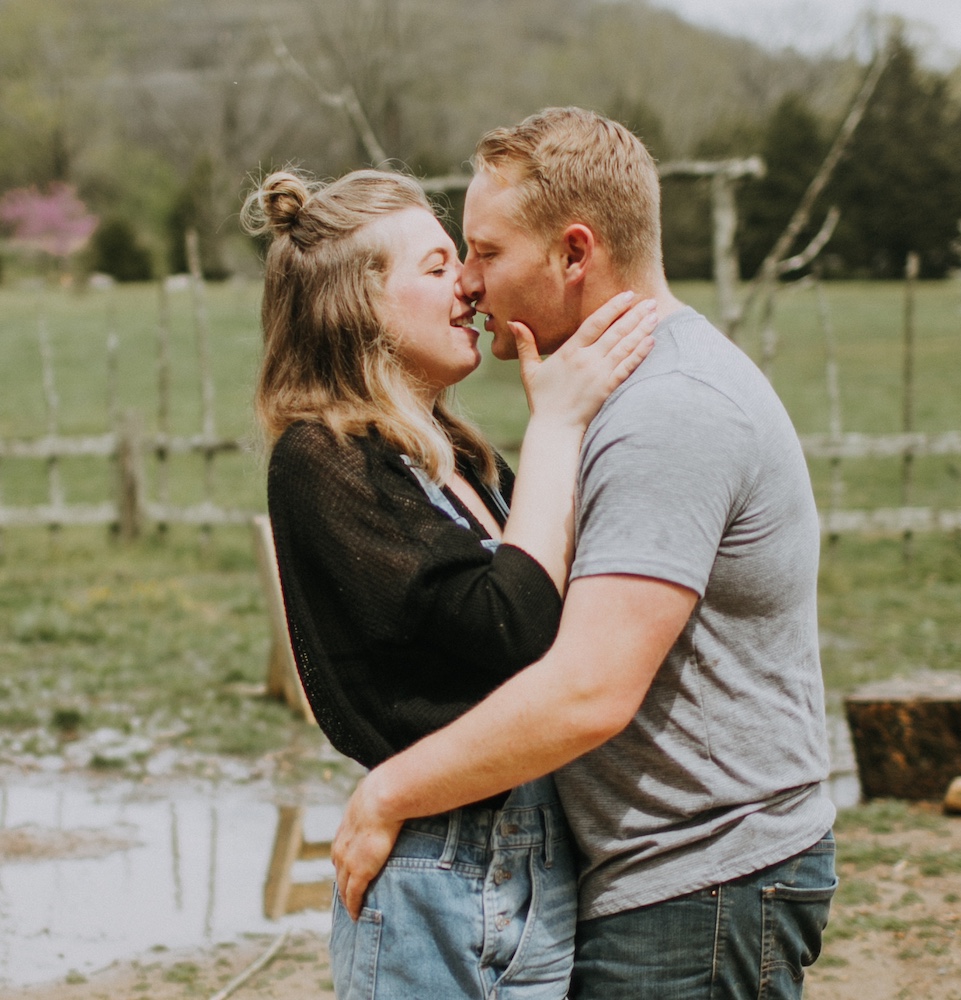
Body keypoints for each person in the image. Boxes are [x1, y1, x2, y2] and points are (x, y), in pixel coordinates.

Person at [332, 107, 838, 1000]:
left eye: (486, 253)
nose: (472, 284)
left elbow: (589, 690)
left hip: (698, 879)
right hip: (673, 873)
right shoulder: (618, 390)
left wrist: (388, 795)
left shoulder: (666, 411)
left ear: (574, 253)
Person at [240, 166, 656, 1000]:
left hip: (538, 855)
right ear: (360, 304)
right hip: (435, 867)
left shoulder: (459, 455)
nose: (469, 285)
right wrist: (561, 422)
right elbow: (512, 626)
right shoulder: (320, 460)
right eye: (436, 267)